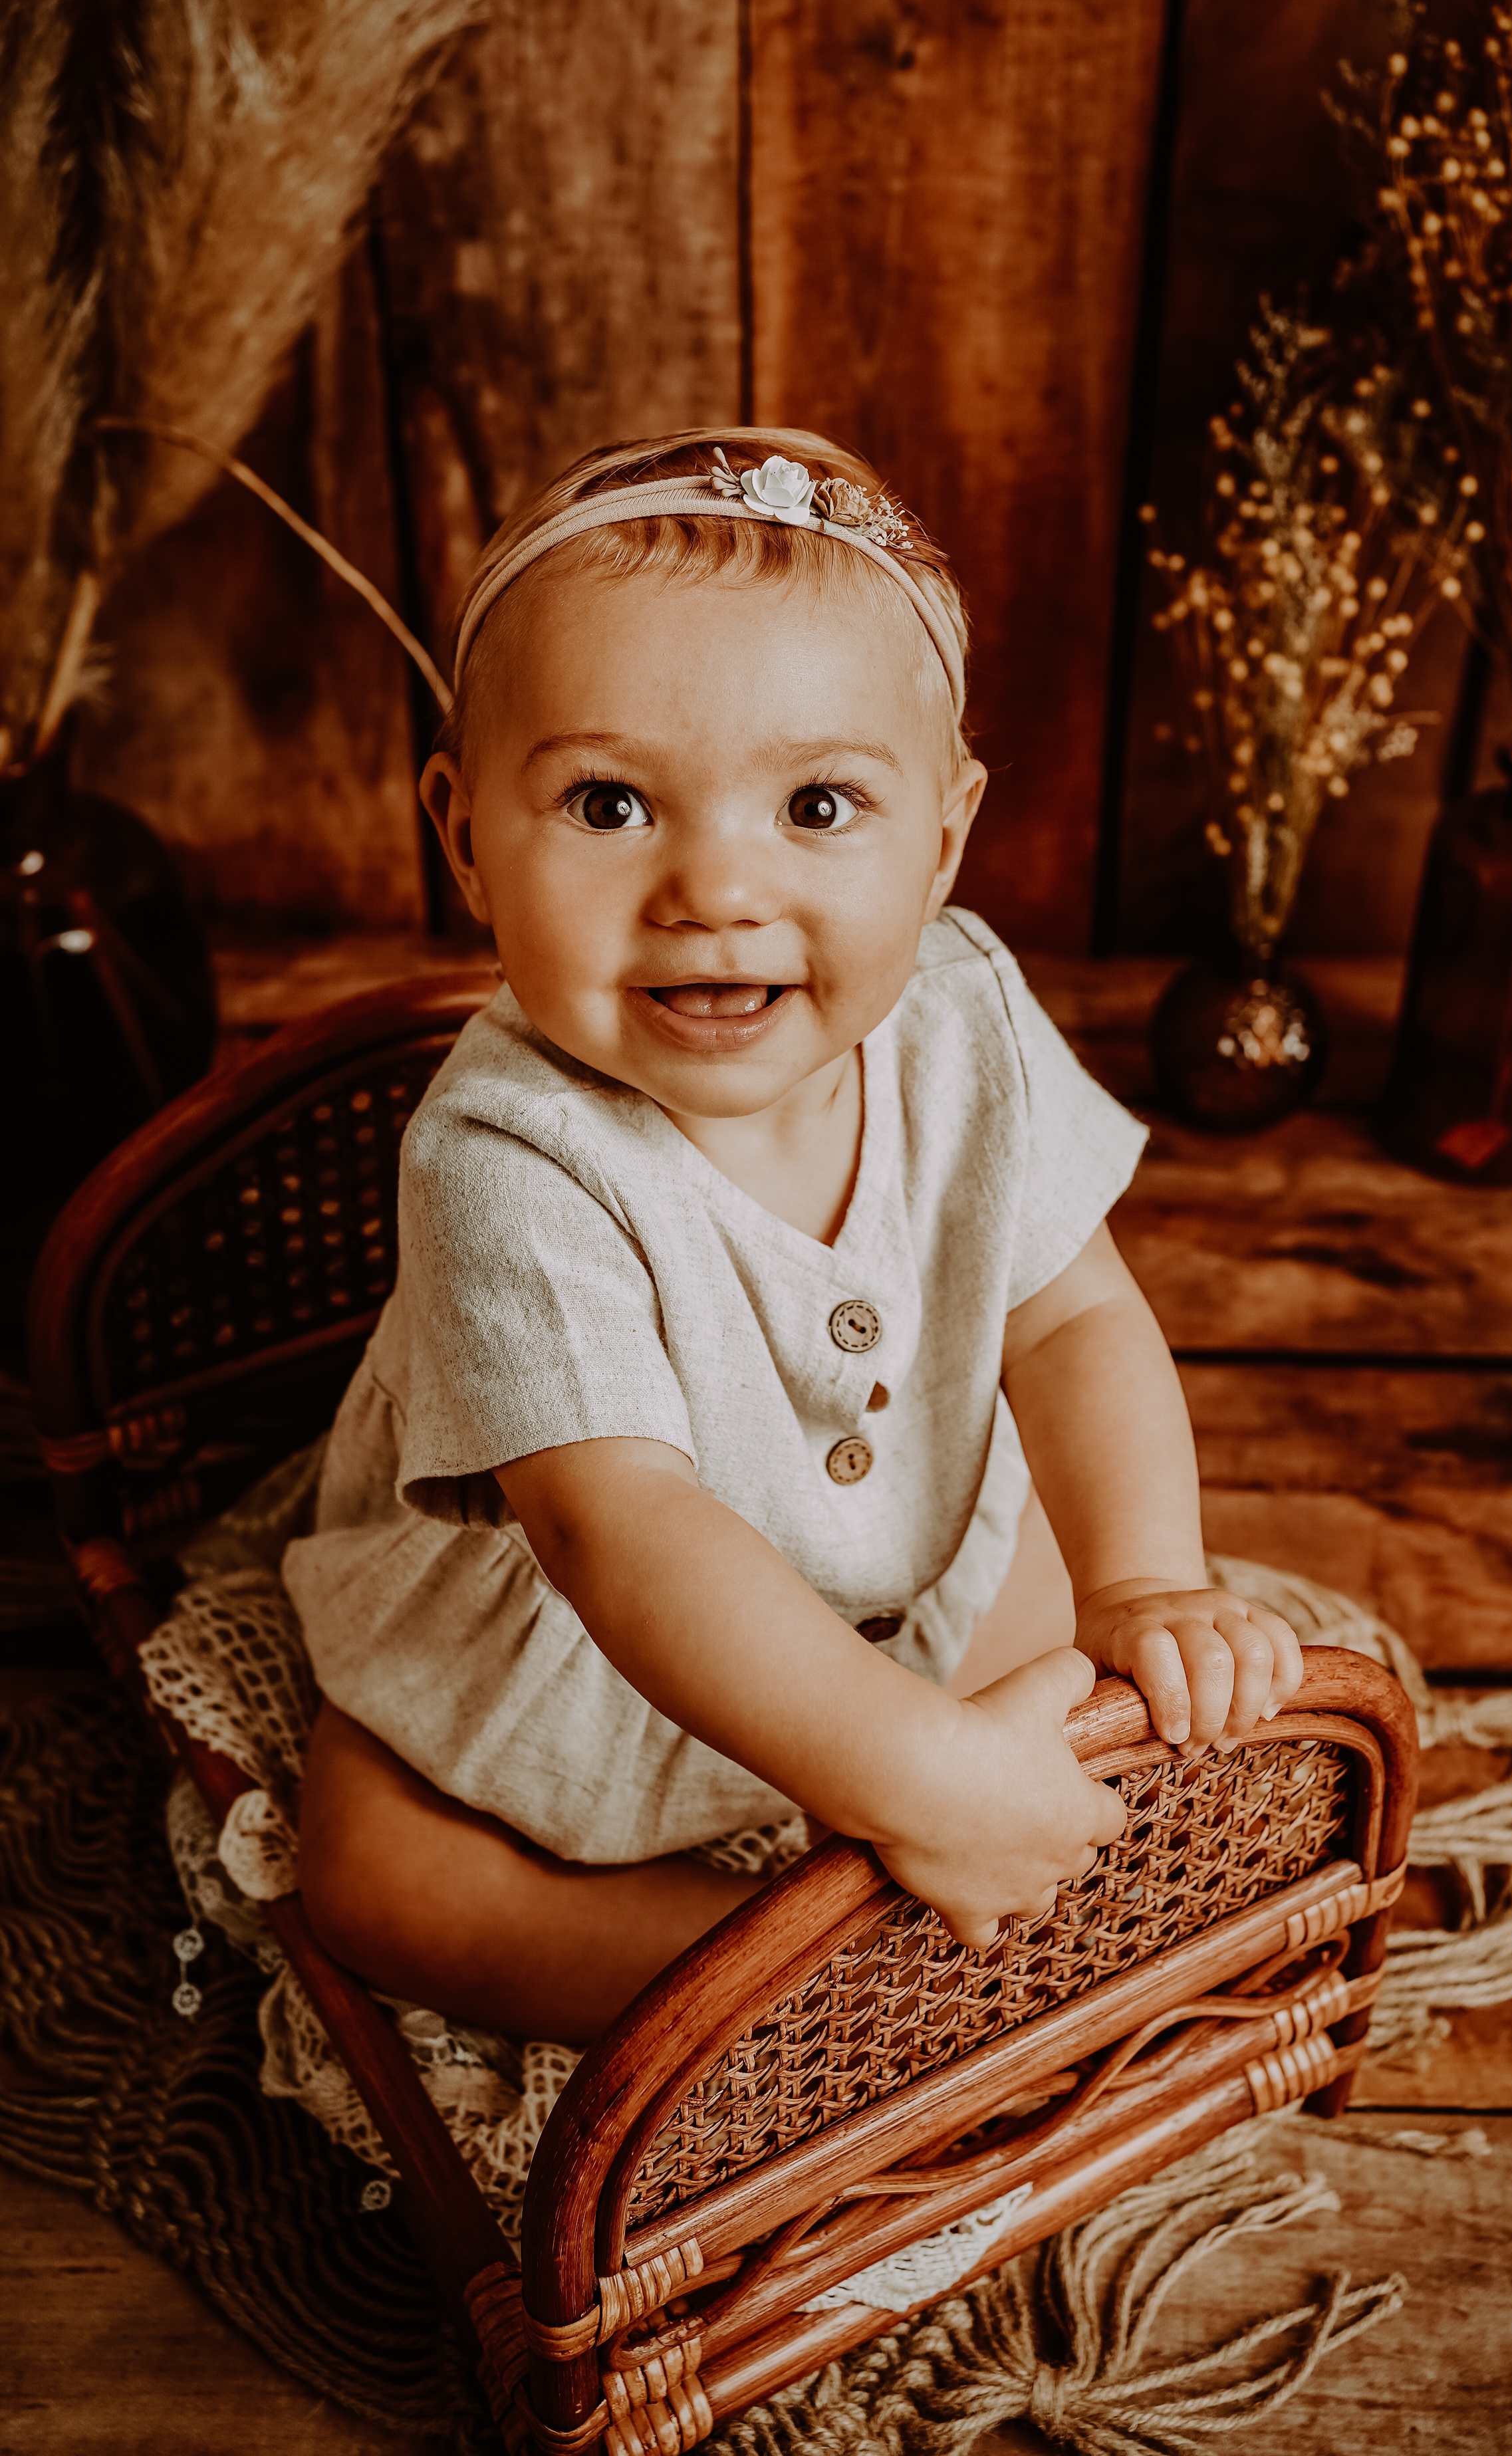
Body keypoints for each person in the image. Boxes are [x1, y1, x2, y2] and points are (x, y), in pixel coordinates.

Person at [289, 428, 1305, 2045]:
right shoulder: (502, 1153)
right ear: (467, 832)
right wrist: (912, 1768)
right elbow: (616, 1532)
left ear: (947, 834)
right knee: (370, 1872)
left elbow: (1071, 1320)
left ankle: (931, 1839)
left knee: (1090, 1599)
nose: (714, 885)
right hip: (589, 1628)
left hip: (901, 1536)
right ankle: (787, 1984)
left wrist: (1142, 1580)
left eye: (818, 802)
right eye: (608, 802)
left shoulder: (960, 1009)